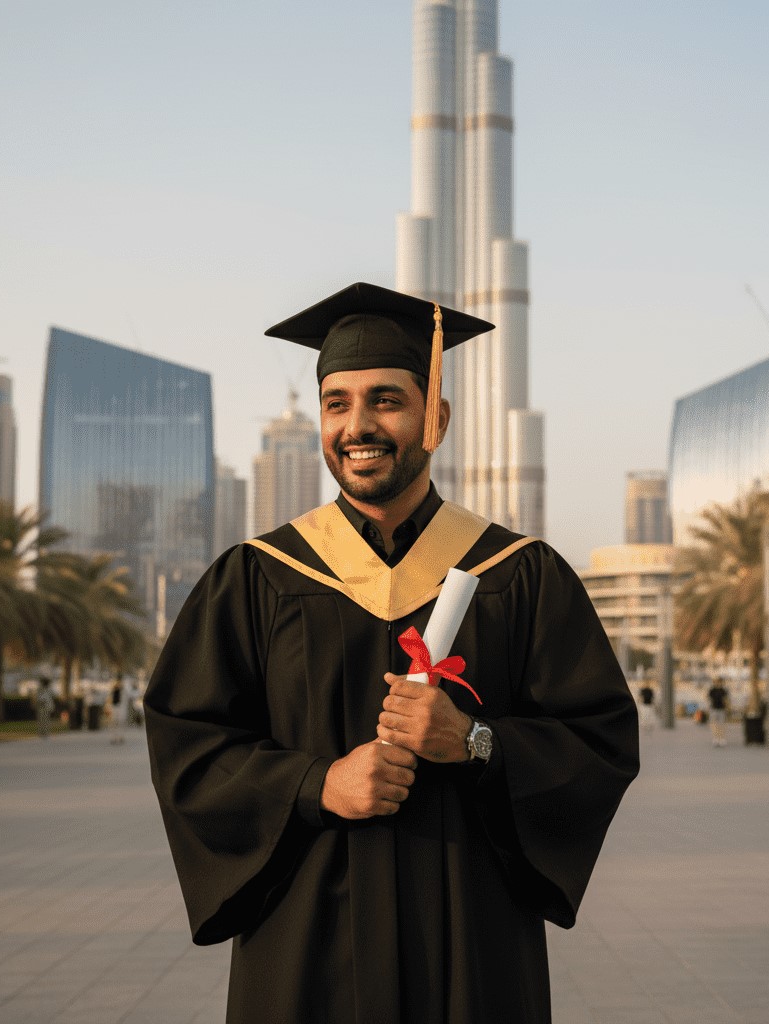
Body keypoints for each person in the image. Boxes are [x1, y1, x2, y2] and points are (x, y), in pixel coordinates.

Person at [144, 282, 639, 1024]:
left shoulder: (520, 574)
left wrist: (474, 742)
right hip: (306, 951)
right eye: (336, 403)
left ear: (434, 416)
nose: (357, 425)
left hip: (470, 950)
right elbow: (189, 748)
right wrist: (316, 785)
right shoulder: (257, 577)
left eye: (386, 400)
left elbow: (598, 744)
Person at [707, 677, 730, 747]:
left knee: (722, 724)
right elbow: (708, 699)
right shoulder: (712, 690)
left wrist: (728, 707)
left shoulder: (723, 690)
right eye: (716, 681)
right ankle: (715, 738)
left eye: (719, 682)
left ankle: (722, 738)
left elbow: (726, 700)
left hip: (722, 709)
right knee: (714, 724)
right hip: (713, 708)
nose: (718, 683)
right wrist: (708, 708)